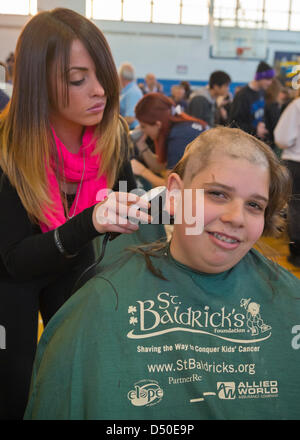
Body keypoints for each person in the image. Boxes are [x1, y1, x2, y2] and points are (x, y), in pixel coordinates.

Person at [24, 126, 300, 420]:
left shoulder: (289, 301)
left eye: (254, 205)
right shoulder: (102, 303)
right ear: (175, 194)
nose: (236, 218)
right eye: (218, 194)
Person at [0, 8, 154, 420]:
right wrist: (90, 222)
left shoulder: (114, 135)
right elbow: (15, 261)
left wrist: (162, 206)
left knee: (83, 371)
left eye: (103, 75)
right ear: (37, 83)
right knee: (14, 381)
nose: (100, 91)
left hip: (73, 259)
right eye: (78, 79)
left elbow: (125, 216)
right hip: (10, 273)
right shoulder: (7, 147)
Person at [131, 93, 208, 188]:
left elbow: (171, 187)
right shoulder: (180, 127)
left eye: (143, 126)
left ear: (158, 124)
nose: (142, 130)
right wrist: (141, 144)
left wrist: (142, 171)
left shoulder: (179, 137)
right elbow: (160, 166)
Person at [274, 96, 300, 267]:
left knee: (296, 207)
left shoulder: (297, 105)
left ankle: (297, 254)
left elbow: (282, 138)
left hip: (296, 161)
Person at [229, 61, 275, 139]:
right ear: (259, 77)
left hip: (255, 138)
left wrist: (262, 123)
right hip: (244, 141)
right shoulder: (242, 95)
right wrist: (255, 129)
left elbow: (261, 113)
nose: (270, 83)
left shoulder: (261, 91)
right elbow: (233, 124)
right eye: (268, 79)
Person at [119, 62, 143, 129]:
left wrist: (113, 125)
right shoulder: (128, 91)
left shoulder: (132, 92)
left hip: (132, 131)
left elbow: (130, 118)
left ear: (121, 77)